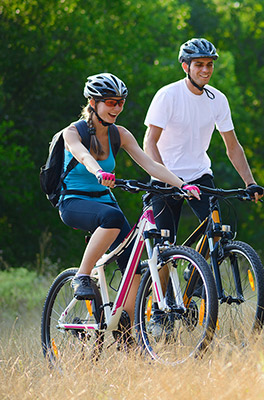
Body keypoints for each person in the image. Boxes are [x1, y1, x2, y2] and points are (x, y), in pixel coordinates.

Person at [58, 73, 200, 326]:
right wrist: (99, 171)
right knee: (112, 218)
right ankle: (82, 276)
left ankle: (125, 326)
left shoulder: (119, 134)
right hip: (73, 202)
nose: (117, 108)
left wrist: (182, 184)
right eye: (110, 102)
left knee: (134, 262)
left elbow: (150, 164)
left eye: (120, 102)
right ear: (93, 102)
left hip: (104, 202)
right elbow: (82, 155)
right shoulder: (72, 132)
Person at [143, 38, 264, 244]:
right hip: (166, 178)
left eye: (209, 64)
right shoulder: (168, 95)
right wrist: (164, 176)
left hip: (199, 175)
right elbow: (149, 143)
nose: (206, 70)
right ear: (185, 66)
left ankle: (197, 273)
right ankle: (167, 271)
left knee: (216, 233)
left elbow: (233, 146)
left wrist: (250, 182)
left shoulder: (218, 99)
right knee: (165, 247)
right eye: (199, 64)